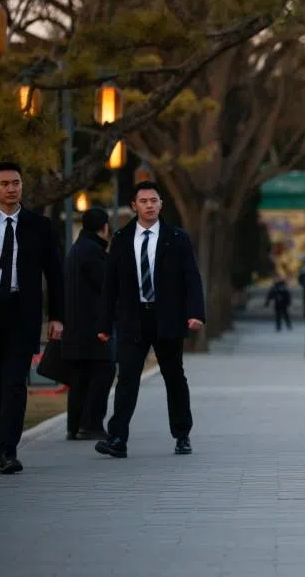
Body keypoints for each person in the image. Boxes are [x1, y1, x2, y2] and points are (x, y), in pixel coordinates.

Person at [94, 181, 205, 458]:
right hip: (133, 318)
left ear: (161, 204)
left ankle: (182, 434)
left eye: (154, 200)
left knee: (174, 377)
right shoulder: (121, 238)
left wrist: (195, 313)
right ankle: (117, 438)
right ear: (134, 206)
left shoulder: (177, 238)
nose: (149, 206)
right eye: (143, 201)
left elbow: (192, 278)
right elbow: (110, 285)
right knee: (127, 378)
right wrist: (104, 324)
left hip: (167, 317)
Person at [0, 162, 64, 474]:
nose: (11, 188)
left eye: (16, 183)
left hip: (22, 313)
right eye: (5, 183)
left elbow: (55, 274)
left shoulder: (39, 226)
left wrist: (57, 317)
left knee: (14, 384)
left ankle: (8, 451)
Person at [62, 207, 115, 441]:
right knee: (103, 371)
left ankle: (74, 426)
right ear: (104, 227)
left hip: (74, 327)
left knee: (79, 378)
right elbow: (106, 286)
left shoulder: (76, 249)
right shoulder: (94, 252)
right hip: (93, 326)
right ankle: (91, 424)